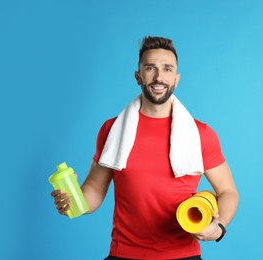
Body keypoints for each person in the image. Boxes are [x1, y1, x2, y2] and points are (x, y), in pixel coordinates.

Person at [51, 36, 239, 260]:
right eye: (150, 68)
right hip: (124, 254)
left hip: (183, 255)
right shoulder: (112, 130)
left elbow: (228, 192)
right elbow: (94, 189)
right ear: (138, 77)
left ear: (176, 79)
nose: (159, 77)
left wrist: (219, 228)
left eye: (167, 69)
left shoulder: (201, 134)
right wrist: (75, 201)